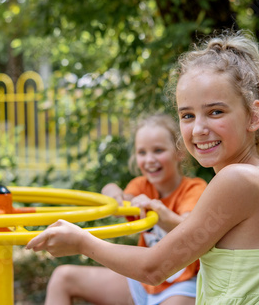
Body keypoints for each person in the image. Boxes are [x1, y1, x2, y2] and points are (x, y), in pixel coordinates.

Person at [27, 30, 259, 304]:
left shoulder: (240, 179)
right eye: (187, 115)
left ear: (254, 116)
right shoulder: (258, 176)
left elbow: (154, 269)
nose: (199, 129)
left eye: (216, 112)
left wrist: (81, 242)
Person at [44, 113, 207, 305]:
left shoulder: (194, 189)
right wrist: (111, 191)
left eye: (158, 150)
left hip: (181, 284)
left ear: (179, 153)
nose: (149, 159)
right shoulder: (141, 186)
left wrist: (159, 213)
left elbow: (189, 231)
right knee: (63, 277)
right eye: (142, 152)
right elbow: (122, 198)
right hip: (142, 282)